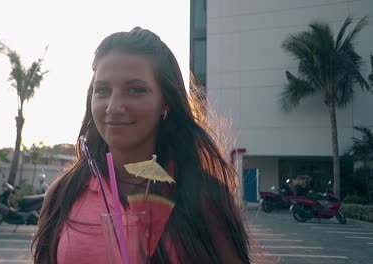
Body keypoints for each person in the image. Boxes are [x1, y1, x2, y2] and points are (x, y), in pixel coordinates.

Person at [32, 27, 250, 263]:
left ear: (165, 102)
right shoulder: (62, 194)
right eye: (103, 90)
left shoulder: (206, 196)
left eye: (135, 90)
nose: (114, 107)